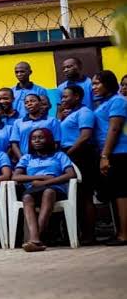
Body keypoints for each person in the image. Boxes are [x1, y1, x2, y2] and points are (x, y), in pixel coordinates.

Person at [12, 128, 76, 252]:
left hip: (56, 189)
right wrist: (40, 177)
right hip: (33, 190)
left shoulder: (59, 155)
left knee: (48, 192)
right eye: (34, 138)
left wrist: (47, 182)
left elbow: (70, 174)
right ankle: (36, 240)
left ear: (49, 139)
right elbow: (16, 176)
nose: (37, 141)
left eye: (41, 137)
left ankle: (35, 238)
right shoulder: (27, 158)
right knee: (26, 197)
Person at [59, 85, 98, 244]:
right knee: (76, 195)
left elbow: (85, 136)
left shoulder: (85, 112)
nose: (63, 100)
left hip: (81, 155)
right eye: (62, 97)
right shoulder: (69, 114)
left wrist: (68, 154)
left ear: (77, 97)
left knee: (85, 195)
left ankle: (89, 234)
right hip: (71, 154)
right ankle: (78, 233)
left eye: (66, 97)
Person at [91, 70, 127, 246]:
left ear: (108, 83)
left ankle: (124, 234)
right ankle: (119, 231)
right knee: (115, 192)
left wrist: (105, 155)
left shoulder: (118, 101)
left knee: (121, 193)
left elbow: (114, 129)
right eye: (92, 84)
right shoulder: (105, 103)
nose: (94, 88)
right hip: (109, 152)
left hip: (118, 152)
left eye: (97, 83)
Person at [10, 93, 62, 158]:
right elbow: (14, 144)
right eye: (26, 102)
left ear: (40, 103)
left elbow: (56, 141)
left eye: (32, 101)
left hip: (48, 158)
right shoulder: (18, 122)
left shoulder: (52, 120)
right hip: (25, 159)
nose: (29, 104)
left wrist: (48, 158)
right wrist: (22, 160)